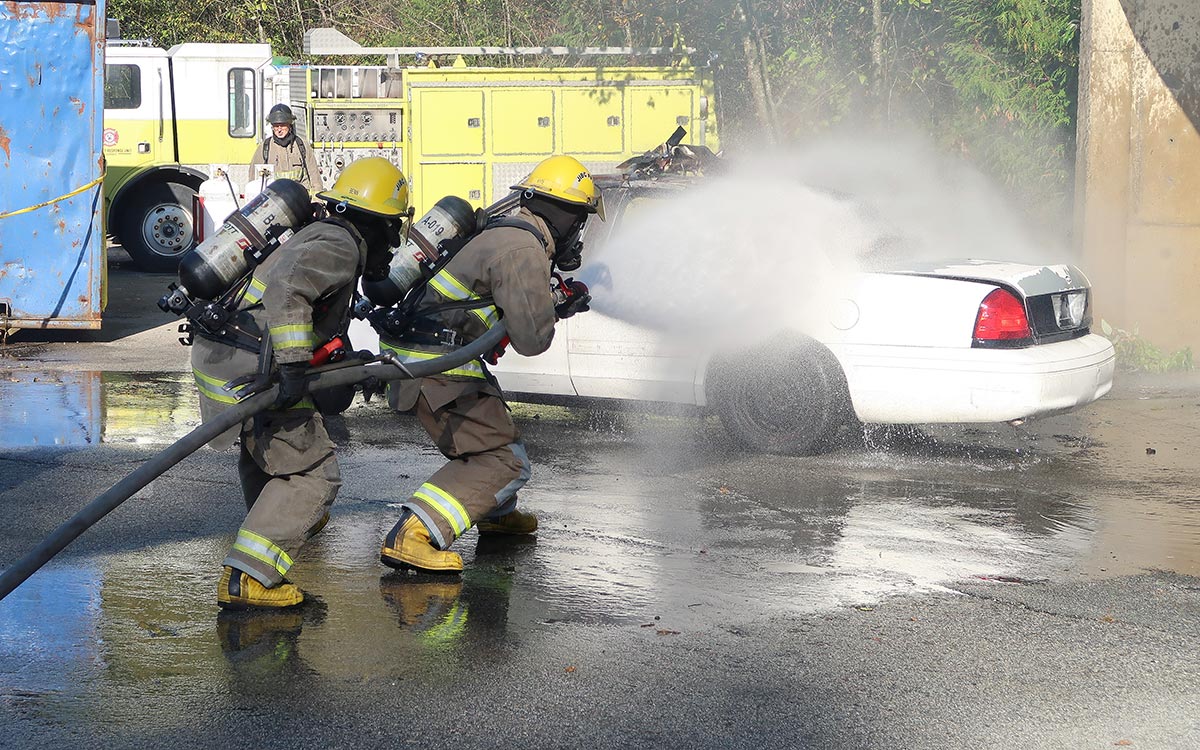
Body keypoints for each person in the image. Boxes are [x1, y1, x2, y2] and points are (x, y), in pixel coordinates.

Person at [192, 157, 410, 609]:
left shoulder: (321, 232)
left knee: (272, 460)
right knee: (312, 475)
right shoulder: (341, 243)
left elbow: (313, 313)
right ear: (373, 222)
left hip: (227, 356)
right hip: (252, 365)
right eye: (392, 228)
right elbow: (289, 288)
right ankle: (250, 578)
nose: (394, 243)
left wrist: (345, 363)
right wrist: (292, 367)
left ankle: (260, 563)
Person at [377, 155, 604, 574]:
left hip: (429, 355)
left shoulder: (507, 234)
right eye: (580, 219)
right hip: (437, 364)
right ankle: (414, 533)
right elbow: (533, 341)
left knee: (499, 434)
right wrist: (556, 308)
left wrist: (553, 300)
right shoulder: (523, 249)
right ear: (567, 216)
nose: (579, 232)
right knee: (502, 460)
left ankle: (496, 513)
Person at [249, 103, 324, 192]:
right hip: (275, 201)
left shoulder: (302, 146)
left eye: (283, 125)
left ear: (290, 125)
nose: (279, 129)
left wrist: (316, 202)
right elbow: (253, 181)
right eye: (276, 126)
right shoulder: (264, 148)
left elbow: (315, 179)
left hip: (299, 201)